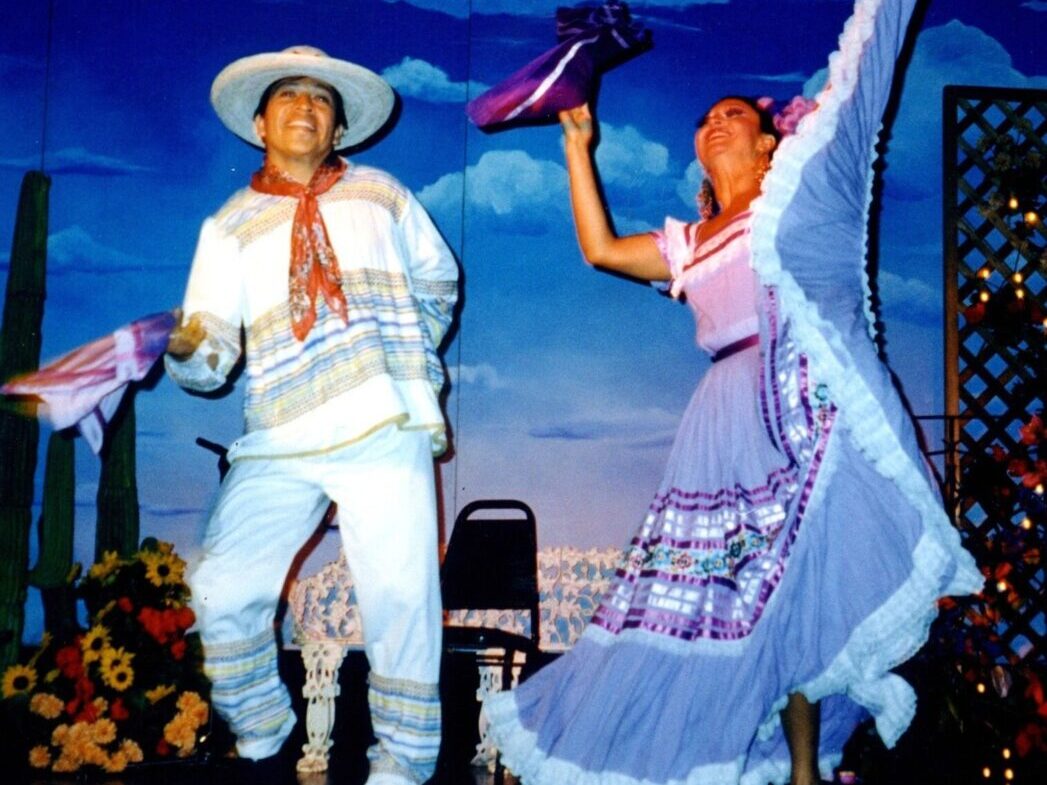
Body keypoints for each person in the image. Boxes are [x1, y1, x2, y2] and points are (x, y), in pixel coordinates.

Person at [484, 1, 982, 784]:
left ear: (769, 139)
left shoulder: (809, 206)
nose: (714, 124)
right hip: (719, 423)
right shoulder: (690, 240)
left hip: (799, 418)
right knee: (722, 598)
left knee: (787, 589)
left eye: (734, 115)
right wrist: (578, 147)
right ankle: (729, 757)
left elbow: (861, 82)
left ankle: (804, 772)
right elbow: (600, 251)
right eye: (704, 119)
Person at [164, 45, 458, 785]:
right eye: (287, 97)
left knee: (401, 594)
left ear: (338, 127)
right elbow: (210, 354)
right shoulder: (228, 224)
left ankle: (401, 761)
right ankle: (261, 730)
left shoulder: (381, 194)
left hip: (380, 416)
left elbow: (438, 280)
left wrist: (401, 357)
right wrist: (188, 347)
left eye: (321, 100)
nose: (304, 108)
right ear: (261, 123)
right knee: (222, 584)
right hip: (280, 429)